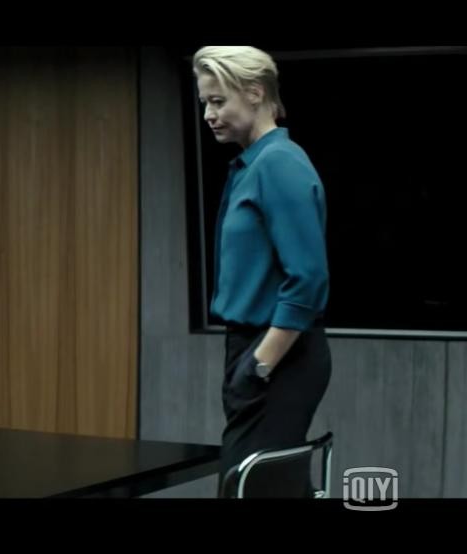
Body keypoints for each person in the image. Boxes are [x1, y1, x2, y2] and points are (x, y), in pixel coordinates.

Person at [193, 46, 331, 497]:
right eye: (205, 102)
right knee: (262, 487)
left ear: (254, 93)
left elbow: (308, 279)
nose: (208, 114)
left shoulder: (279, 163)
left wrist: (261, 363)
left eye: (218, 101)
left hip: (278, 354)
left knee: (252, 488)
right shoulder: (252, 164)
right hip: (254, 350)